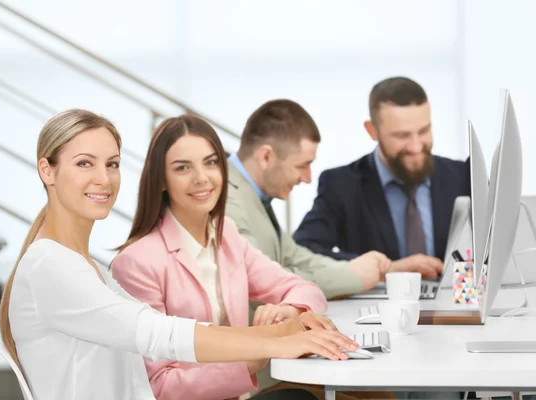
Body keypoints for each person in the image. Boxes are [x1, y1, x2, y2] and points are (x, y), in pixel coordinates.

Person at [0, 109, 359, 400]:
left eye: (113, 163)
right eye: (84, 163)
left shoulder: (86, 267)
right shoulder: (51, 267)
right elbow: (158, 334)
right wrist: (274, 343)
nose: (104, 179)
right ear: (48, 171)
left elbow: (160, 334)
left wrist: (289, 330)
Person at [111, 114, 330, 399]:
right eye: (182, 168)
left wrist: (289, 310)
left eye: (211, 162)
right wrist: (257, 354)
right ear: (161, 181)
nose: (202, 178)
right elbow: (158, 387)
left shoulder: (227, 237)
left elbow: (306, 290)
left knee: (370, 394)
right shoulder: (137, 263)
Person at [226, 98, 436, 300]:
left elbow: (297, 257)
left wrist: (384, 269)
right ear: (266, 157)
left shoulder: (253, 195)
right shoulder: (228, 203)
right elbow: (264, 283)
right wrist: (353, 277)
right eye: (301, 166)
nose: (307, 178)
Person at [294, 77, 470, 277]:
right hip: (377, 306)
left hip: (455, 303)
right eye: (402, 136)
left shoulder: (462, 175)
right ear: (372, 131)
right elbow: (303, 252)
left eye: (424, 131)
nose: (415, 146)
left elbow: (494, 249)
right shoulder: (342, 185)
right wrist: (386, 269)